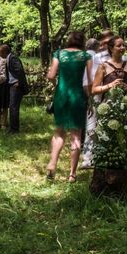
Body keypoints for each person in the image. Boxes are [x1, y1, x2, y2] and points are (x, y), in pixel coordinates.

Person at [45, 31, 92, 183]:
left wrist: (56, 85)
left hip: (61, 95)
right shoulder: (86, 56)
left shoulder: (59, 54)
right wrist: (89, 98)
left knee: (59, 131)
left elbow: (51, 76)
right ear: (82, 42)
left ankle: (52, 164)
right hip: (77, 96)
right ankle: (72, 174)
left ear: (69, 40)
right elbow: (89, 82)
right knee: (76, 135)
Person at [81, 30, 119, 168]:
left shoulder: (120, 57)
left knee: (112, 126)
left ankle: (111, 156)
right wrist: (90, 99)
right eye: (105, 42)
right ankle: (88, 158)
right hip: (97, 96)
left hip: (114, 96)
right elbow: (87, 80)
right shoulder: (96, 58)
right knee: (92, 127)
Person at [0, 44, 29, 134]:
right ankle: (13, 128)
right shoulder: (8, 58)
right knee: (12, 107)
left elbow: (19, 70)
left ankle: (14, 129)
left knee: (13, 107)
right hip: (12, 85)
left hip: (16, 86)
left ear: (4, 52)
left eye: (0, 52)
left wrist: (18, 82)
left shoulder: (12, 58)